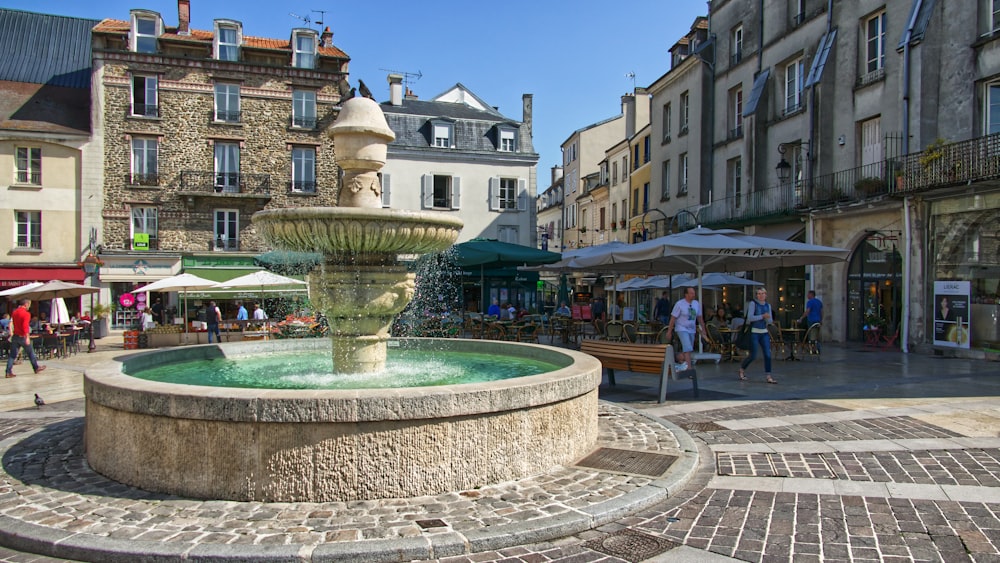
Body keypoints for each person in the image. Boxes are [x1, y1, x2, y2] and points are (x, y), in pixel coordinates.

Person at [739, 288, 777, 384]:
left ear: (766, 295)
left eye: (763, 293)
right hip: (754, 332)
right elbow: (750, 318)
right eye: (759, 294)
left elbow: (770, 321)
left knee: (767, 354)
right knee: (753, 355)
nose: (761, 295)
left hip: (764, 331)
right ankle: (742, 368)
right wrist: (762, 316)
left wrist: (768, 319)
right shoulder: (753, 304)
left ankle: (768, 375)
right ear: (756, 295)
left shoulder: (768, 305)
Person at [664, 287, 707, 371]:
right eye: (691, 293)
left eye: (694, 293)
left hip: (692, 328)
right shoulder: (679, 304)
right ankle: (689, 368)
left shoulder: (696, 304)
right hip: (681, 328)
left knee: (688, 348)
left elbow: (700, 318)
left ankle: (677, 358)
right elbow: (673, 318)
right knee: (687, 346)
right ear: (686, 294)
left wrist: (703, 329)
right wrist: (669, 331)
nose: (693, 295)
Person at [5, 299, 46, 378]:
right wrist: (27, 337)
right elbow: (25, 326)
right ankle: (36, 367)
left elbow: (12, 323)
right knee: (31, 353)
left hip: (15, 336)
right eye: (29, 305)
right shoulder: (26, 314)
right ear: (26, 304)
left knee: (12, 355)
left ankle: (8, 371)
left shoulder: (14, 312)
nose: (29, 306)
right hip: (23, 336)